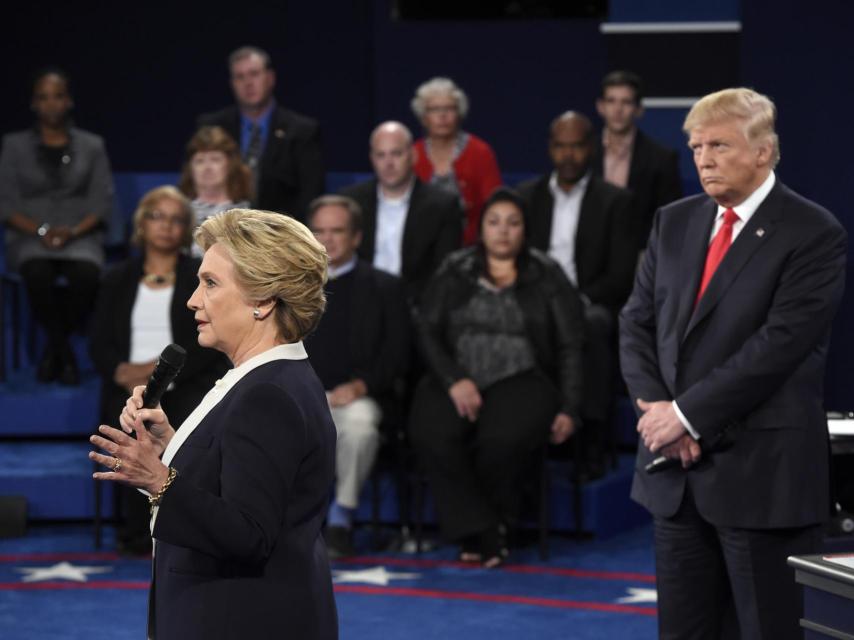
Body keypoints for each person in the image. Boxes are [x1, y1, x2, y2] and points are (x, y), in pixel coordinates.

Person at [620, 88, 847, 639]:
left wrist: (686, 416)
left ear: (764, 151)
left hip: (761, 476)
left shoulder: (813, 232)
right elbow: (636, 324)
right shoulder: (672, 222)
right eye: (696, 146)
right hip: (676, 476)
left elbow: (777, 348)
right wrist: (658, 412)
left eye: (719, 145)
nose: (703, 159)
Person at [89, 209, 337, 639]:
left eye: (211, 283)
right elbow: (237, 475)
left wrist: (158, 479)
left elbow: (249, 534)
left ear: (261, 300)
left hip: (241, 621)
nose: (192, 299)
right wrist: (170, 442)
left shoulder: (267, 395)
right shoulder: (269, 377)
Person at [409, 187, 583, 568]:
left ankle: (483, 530)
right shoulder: (455, 269)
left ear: (525, 230)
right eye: (494, 222)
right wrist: (453, 379)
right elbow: (426, 328)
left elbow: (571, 344)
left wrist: (571, 407)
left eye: (513, 223)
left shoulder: (546, 274)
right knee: (433, 432)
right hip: (455, 375)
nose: (503, 231)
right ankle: (486, 529)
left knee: (499, 440)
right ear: (480, 228)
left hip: (524, 377)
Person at [89, 186, 229, 555]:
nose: (166, 226)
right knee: (123, 419)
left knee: (175, 420)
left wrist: (157, 376)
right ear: (141, 224)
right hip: (125, 385)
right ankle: (133, 530)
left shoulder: (200, 277)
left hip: (182, 387)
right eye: (158, 216)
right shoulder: (117, 277)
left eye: (176, 219)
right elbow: (98, 341)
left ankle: (178, 525)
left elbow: (204, 342)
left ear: (185, 228)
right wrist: (121, 372)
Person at [517, 111, 635, 477]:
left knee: (595, 325)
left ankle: (592, 440)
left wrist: (571, 303)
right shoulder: (526, 197)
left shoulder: (616, 201)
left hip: (587, 302)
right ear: (550, 149)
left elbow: (620, 275)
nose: (568, 155)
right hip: (530, 300)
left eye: (577, 146)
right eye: (561, 147)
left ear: (591, 149)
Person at [305, 195, 410, 558]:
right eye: (319, 231)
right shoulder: (291, 287)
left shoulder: (384, 287)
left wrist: (362, 385)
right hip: (303, 395)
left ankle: (341, 518)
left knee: (362, 425)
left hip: (358, 397)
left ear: (357, 237)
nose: (327, 239)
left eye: (337, 231)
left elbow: (399, 353)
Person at [0, 68, 113, 385]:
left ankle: (54, 351)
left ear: (69, 101)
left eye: (58, 96)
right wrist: (41, 231)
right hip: (29, 236)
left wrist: (72, 232)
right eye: (43, 97)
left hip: (81, 235)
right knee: (37, 273)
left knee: (86, 276)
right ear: (34, 103)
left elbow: (101, 202)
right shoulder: (14, 145)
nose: (51, 104)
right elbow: (5, 204)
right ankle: (63, 352)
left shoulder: (92, 146)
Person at [340, 121, 461, 304]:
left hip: (417, 305)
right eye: (381, 155)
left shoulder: (443, 205)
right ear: (372, 158)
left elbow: (444, 272)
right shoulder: (351, 201)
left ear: (413, 156)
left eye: (396, 153)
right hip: (361, 302)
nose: (388, 163)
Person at [197, 46, 324, 220]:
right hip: (222, 225)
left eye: (254, 74)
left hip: (279, 234)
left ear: (270, 78)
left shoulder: (301, 131)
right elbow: (193, 184)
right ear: (232, 83)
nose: (248, 83)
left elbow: (310, 196)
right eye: (240, 77)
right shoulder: (212, 126)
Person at [593, 70, 682, 249]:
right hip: (590, 252)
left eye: (626, 102)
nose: (618, 110)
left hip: (640, 254)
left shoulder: (661, 159)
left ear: (639, 110)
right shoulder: (585, 154)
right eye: (611, 101)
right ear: (600, 107)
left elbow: (669, 219)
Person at [411, 77, 502, 246]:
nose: (442, 115)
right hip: (420, 244)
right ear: (423, 117)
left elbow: (493, 205)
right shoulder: (412, 154)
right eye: (434, 109)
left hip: (471, 246)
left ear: (460, 113)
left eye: (449, 108)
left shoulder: (480, 152)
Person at [178, 126, 251, 254]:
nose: (207, 167)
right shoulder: (179, 214)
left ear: (230, 165)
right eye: (199, 161)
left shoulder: (249, 215)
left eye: (215, 159)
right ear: (190, 168)